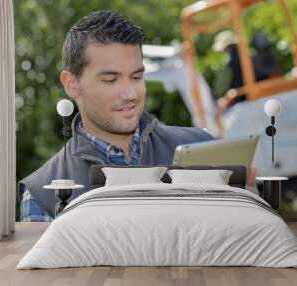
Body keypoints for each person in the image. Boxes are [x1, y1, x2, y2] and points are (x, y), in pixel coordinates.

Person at [19, 10, 257, 222]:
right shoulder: (41, 194)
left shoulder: (203, 145)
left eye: (136, 77)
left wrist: (250, 210)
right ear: (71, 84)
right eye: (110, 80)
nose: (130, 93)